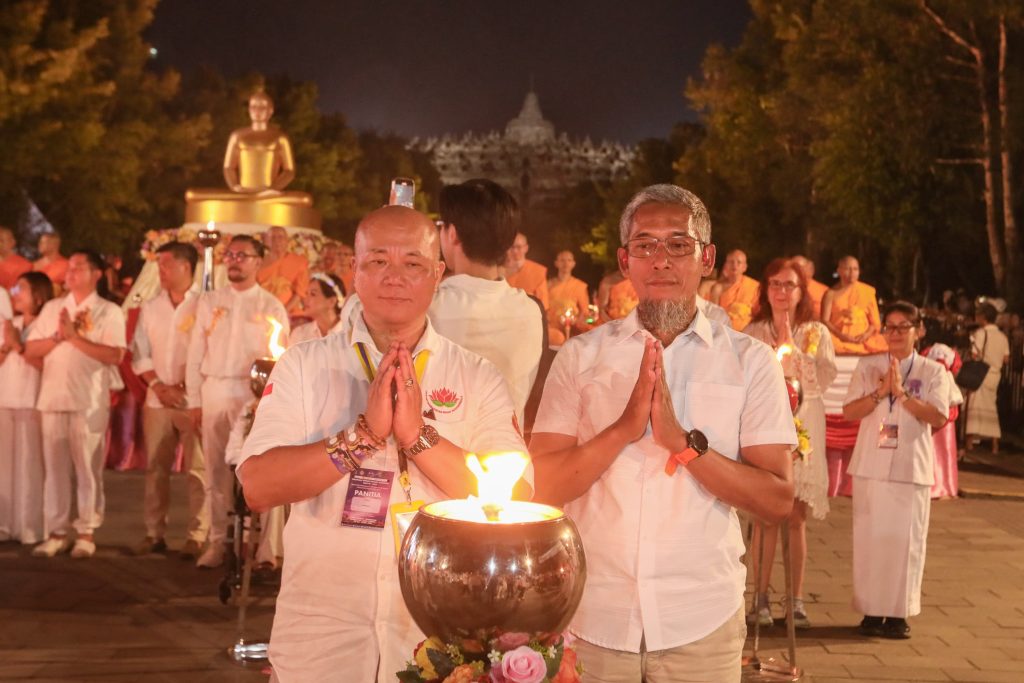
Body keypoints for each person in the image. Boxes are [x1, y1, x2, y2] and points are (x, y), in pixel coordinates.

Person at [236, 205, 531, 682]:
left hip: (437, 634)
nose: (394, 276)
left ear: (438, 274)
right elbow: (258, 486)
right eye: (377, 261)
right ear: (354, 271)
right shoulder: (304, 366)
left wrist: (419, 439)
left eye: (413, 263)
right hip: (320, 630)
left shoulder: (476, 377)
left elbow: (516, 502)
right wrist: (362, 437)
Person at [531, 184, 796, 682]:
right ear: (625, 260)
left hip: (700, 619)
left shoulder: (749, 362)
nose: (661, 260)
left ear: (707, 258)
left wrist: (684, 445)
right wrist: (623, 430)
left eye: (679, 244)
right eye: (646, 245)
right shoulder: (582, 356)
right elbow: (541, 487)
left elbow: (777, 500)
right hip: (593, 618)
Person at [843, 301, 949, 640]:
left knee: (907, 541)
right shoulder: (868, 365)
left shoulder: (933, 371)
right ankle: (872, 610)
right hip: (871, 463)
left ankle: (899, 614)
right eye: (890, 326)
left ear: (918, 330)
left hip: (910, 465)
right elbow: (850, 411)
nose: (896, 333)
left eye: (904, 327)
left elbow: (939, 417)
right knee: (871, 539)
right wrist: (880, 392)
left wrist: (902, 396)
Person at [743, 258, 837, 629]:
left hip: (805, 422)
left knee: (796, 516)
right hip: (765, 425)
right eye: (776, 285)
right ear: (766, 290)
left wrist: (791, 349)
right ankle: (760, 596)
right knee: (766, 514)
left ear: (802, 292)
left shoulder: (816, 332)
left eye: (790, 285)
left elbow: (822, 380)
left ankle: (795, 599)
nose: (782, 292)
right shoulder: (753, 331)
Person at [186, 234, 289, 568]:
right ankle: (218, 543)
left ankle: (262, 550)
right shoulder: (209, 301)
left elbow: (280, 358)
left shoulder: (270, 306)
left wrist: (270, 403)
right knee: (215, 474)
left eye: (241, 255)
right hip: (214, 389)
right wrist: (193, 400)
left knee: (260, 471)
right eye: (229, 255)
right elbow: (194, 354)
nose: (233, 260)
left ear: (258, 261)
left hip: (252, 397)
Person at [25, 250, 127, 558]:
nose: (70, 273)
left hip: (89, 399)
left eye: (78, 268)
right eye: (68, 268)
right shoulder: (55, 308)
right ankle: (56, 531)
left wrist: (73, 337)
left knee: (87, 466)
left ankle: (86, 531)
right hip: (53, 396)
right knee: (54, 469)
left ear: (96, 274)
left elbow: (115, 355)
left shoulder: (108, 311)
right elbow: (31, 349)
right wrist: (60, 337)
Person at [429, 179, 544, 424]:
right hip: (506, 451)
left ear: (452, 234)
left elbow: (356, 315)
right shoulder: (531, 311)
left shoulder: (428, 307)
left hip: (433, 453)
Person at [130, 242, 208, 559]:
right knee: (155, 468)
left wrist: (187, 386)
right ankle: (154, 532)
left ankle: (198, 533)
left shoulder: (204, 305)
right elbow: (139, 353)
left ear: (185, 267)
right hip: (158, 399)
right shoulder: (151, 307)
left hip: (192, 400)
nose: (159, 271)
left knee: (198, 470)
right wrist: (159, 385)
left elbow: (209, 351)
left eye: (165, 265)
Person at [0, 272, 54, 544]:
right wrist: (7, 345)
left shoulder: (47, 325)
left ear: (39, 296)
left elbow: (51, 366)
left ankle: (31, 526)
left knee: (30, 464)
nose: (15, 294)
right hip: (5, 398)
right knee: (5, 466)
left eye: (21, 288)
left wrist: (19, 347)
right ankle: (5, 524)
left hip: (34, 400)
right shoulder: (10, 323)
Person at [965, 302, 1010, 453]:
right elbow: (1006, 359)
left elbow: (974, 355)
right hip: (995, 375)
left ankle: (969, 442)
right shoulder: (1003, 336)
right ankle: (995, 445)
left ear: (983, 317)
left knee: (974, 406)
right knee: (991, 408)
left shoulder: (980, 333)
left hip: (980, 374)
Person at [821, 256, 887, 354]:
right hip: (839, 340)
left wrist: (865, 336)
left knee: (885, 343)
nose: (852, 273)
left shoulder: (867, 292)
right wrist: (842, 336)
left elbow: (875, 323)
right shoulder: (830, 294)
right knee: (824, 342)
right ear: (839, 271)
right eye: (848, 269)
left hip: (864, 340)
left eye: (855, 269)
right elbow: (825, 321)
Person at [257, 226, 309, 313]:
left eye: (280, 237)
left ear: (287, 240)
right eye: (272, 237)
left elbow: (300, 293)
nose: (277, 241)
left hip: (290, 313)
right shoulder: (258, 263)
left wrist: (283, 312)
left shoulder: (299, 261)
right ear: (266, 241)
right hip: (262, 311)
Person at [547, 250, 593, 343]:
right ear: (556, 263)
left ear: (573, 264)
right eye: (562, 260)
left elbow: (584, 311)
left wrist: (577, 323)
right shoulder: (548, 285)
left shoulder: (579, 286)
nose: (566, 263)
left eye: (569, 260)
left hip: (572, 330)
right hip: (551, 330)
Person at [710, 249, 760, 330]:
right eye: (731, 262)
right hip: (723, 331)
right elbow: (713, 314)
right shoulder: (718, 288)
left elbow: (758, 315)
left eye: (739, 262)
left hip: (748, 333)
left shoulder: (754, 286)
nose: (734, 265)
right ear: (726, 265)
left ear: (744, 267)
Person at [290, 272, 345, 344]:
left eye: (313, 294)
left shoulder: (349, 334)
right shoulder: (300, 334)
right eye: (306, 293)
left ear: (331, 301)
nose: (305, 298)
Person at [504, 231, 549, 309]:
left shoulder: (537, 271)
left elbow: (543, 304)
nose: (515, 251)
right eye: (512, 247)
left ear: (526, 248)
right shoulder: (499, 270)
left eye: (518, 247)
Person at [790, 255, 828, 320]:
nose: (796, 271)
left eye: (799, 267)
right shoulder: (785, 289)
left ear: (809, 268)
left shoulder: (824, 290)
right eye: (792, 268)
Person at [0, 226, 32, 291]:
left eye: (2, 240)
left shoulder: (24, 265)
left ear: (13, 242)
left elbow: (21, 288)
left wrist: (6, 294)